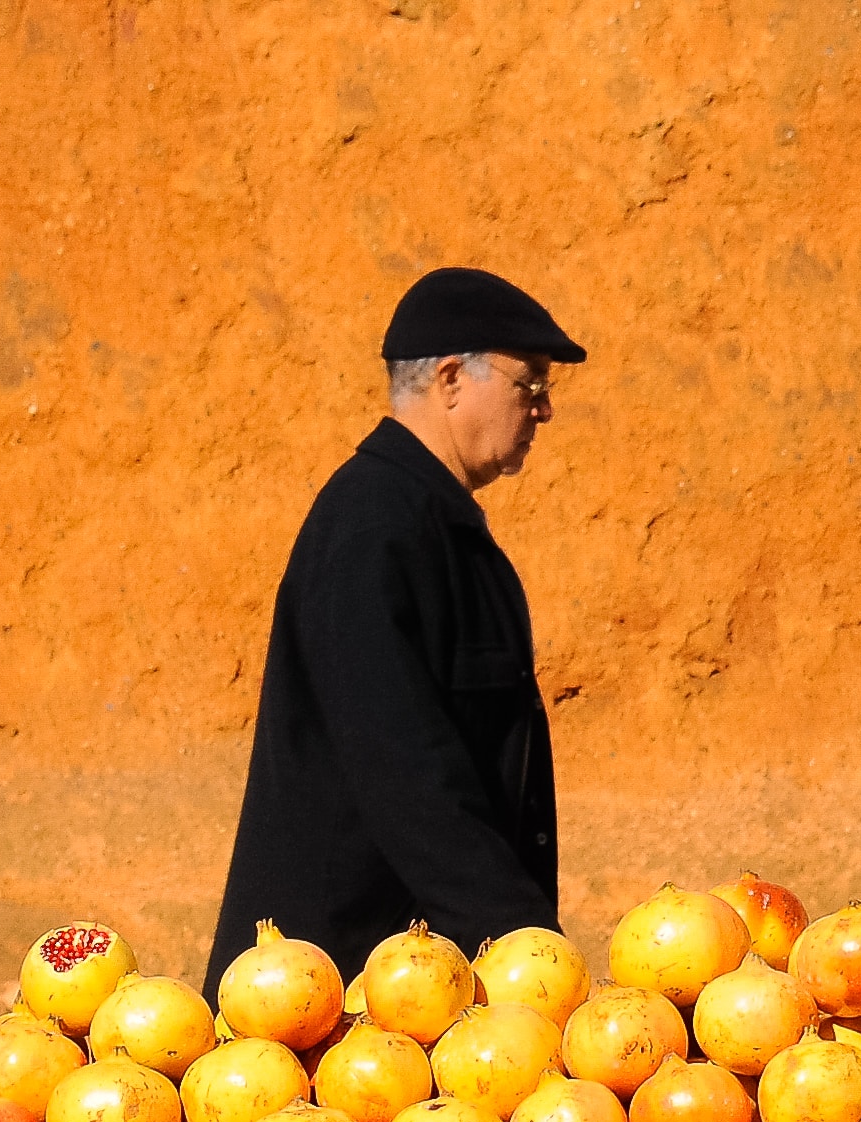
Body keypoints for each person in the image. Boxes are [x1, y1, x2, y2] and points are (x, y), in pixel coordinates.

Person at [208, 268, 583, 984]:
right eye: (529, 386)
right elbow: (409, 772)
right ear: (450, 379)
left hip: (422, 989)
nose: (544, 411)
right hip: (332, 1004)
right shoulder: (371, 529)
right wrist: (524, 949)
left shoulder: (434, 528)